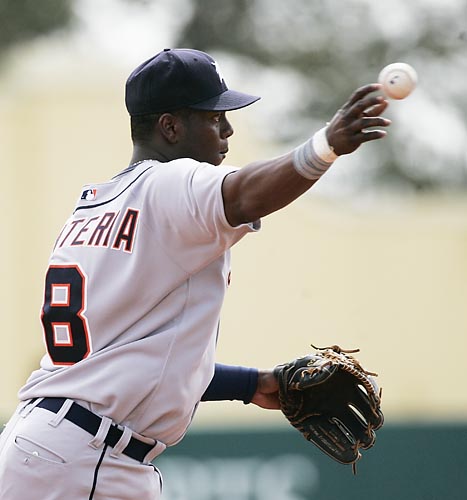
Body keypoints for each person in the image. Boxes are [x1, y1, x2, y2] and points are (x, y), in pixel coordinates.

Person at [0, 48, 390, 499]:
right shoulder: (170, 184)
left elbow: (135, 357)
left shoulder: (95, 205)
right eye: (213, 117)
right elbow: (245, 195)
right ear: (170, 127)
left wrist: (254, 384)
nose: (227, 129)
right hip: (85, 459)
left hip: (53, 445)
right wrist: (327, 146)